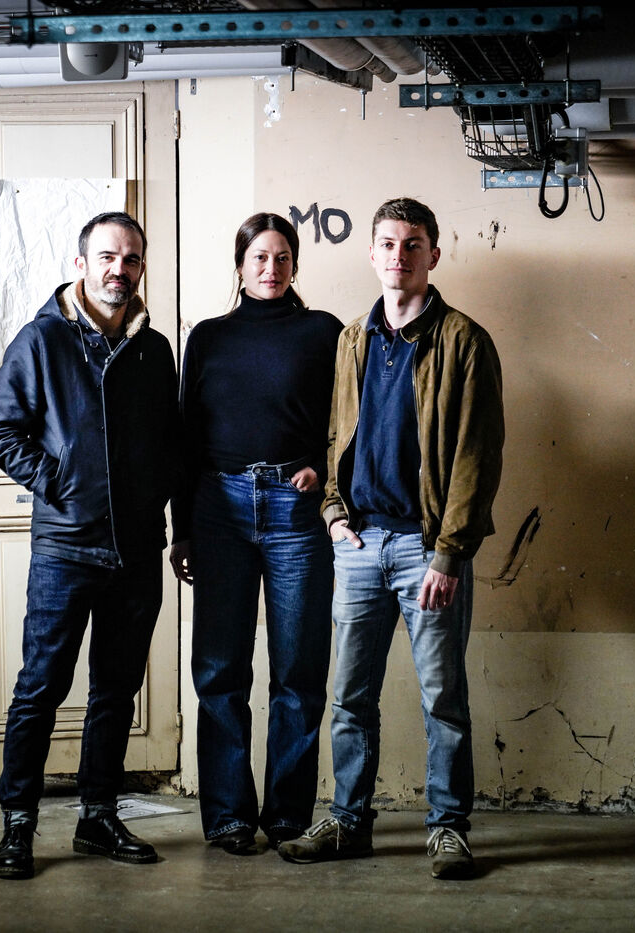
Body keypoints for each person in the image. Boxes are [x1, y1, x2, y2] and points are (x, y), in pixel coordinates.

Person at [277, 198, 504, 880]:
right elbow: (336, 434)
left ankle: (448, 829)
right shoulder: (353, 339)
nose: (398, 255)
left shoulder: (464, 341)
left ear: (434, 253)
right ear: (371, 253)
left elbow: (476, 457)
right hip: (359, 547)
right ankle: (348, 822)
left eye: (412, 244)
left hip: (426, 549)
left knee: (443, 699)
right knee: (350, 698)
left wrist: (451, 554)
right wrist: (334, 513)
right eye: (387, 243)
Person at [0, 211, 180, 881]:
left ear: (141, 267)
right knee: (40, 688)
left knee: (115, 691)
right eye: (107, 257)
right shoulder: (42, 339)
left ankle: (97, 817)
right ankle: (18, 824)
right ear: (81, 264)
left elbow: (171, 447)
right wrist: (57, 480)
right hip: (66, 549)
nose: (119, 269)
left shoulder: (154, 350)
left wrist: (173, 526)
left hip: (137, 552)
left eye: (131, 258)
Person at [169, 213, 343, 855]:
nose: (271, 269)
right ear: (240, 265)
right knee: (220, 671)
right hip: (219, 509)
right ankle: (228, 817)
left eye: (282, 257)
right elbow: (186, 438)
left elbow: (348, 419)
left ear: (295, 264)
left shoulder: (325, 332)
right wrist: (182, 529)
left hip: (297, 512)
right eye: (259, 258)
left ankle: (289, 817)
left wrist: (322, 470)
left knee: (298, 670)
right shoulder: (208, 337)